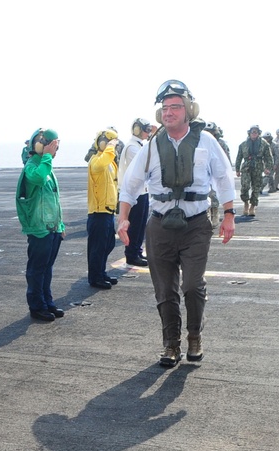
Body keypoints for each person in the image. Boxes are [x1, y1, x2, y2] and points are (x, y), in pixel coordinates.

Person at [116, 80, 236, 367]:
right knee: (164, 291)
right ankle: (171, 344)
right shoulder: (151, 146)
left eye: (175, 107)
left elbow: (223, 178)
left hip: (195, 225)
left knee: (193, 286)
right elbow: (131, 184)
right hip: (159, 227)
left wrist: (229, 214)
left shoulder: (206, 141)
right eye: (165, 108)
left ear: (188, 110)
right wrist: (123, 218)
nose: (169, 112)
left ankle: (194, 335)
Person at [16, 128, 64, 322]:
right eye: (52, 146)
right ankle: (37, 306)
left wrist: (60, 225)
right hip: (39, 229)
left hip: (51, 228)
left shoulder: (47, 166)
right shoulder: (33, 166)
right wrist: (46, 157)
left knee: (47, 269)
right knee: (37, 270)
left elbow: (54, 198)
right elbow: (37, 178)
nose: (55, 151)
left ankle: (47, 302)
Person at [87, 128, 120, 288]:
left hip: (108, 210)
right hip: (98, 212)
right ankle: (95, 277)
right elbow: (100, 164)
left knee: (108, 244)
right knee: (97, 248)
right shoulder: (96, 160)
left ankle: (100, 272)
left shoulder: (110, 161)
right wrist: (110, 147)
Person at [118, 118, 152, 267]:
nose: (148, 133)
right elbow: (144, 168)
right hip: (135, 193)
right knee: (135, 225)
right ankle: (131, 254)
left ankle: (137, 251)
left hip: (142, 191)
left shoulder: (137, 146)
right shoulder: (132, 147)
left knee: (141, 225)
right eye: (146, 130)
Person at [235, 125, 273, 217]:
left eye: (256, 132)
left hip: (258, 167)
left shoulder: (264, 144)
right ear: (249, 133)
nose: (254, 133)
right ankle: (246, 203)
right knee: (245, 186)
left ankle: (252, 206)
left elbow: (269, 157)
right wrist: (237, 169)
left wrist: (268, 168)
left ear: (259, 133)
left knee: (256, 187)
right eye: (252, 132)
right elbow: (239, 157)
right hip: (246, 167)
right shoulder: (243, 144)